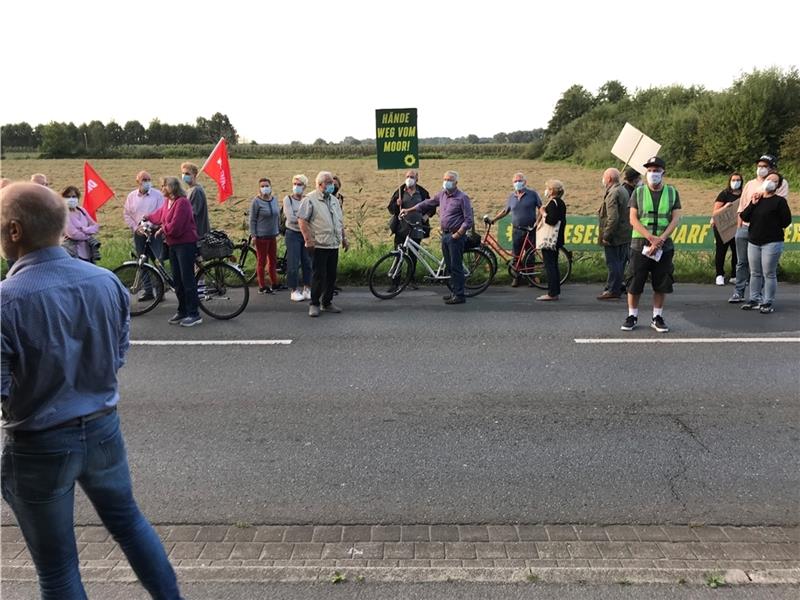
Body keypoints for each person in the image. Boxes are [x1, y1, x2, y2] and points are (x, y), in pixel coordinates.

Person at [0, 182, 183, 600]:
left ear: (14, 231)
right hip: (103, 430)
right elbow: (116, 357)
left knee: (58, 569)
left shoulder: (6, 301)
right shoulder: (107, 283)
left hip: (38, 444)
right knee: (130, 524)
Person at [621, 156, 682, 333]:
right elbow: (633, 218)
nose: (653, 173)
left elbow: (676, 218)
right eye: (649, 170)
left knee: (661, 282)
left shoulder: (672, 192)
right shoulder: (638, 192)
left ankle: (657, 316)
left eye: (656, 170)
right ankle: (632, 315)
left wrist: (661, 239)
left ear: (663, 172)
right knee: (634, 281)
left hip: (664, 245)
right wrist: (650, 237)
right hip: (640, 244)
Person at [401, 170, 474, 305]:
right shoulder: (442, 195)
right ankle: (454, 291)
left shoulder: (462, 198)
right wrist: (409, 210)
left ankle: (459, 295)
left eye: (449, 180)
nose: (446, 182)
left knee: (456, 266)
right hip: (445, 235)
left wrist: (458, 233)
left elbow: (468, 220)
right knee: (450, 267)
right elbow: (426, 204)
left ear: (456, 183)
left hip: (455, 236)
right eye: (445, 179)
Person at [730, 154, 790, 303]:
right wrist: (739, 228)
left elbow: (779, 209)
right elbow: (742, 208)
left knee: (765, 270)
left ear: (772, 169)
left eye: (765, 166)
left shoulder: (780, 184)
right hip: (746, 228)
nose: (761, 169)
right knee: (742, 263)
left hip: (768, 232)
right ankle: (740, 292)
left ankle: (765, 298)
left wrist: (763, 193)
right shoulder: (750, 184)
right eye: (759, 166)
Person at [146, 177, 202, 327]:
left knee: (187, 279)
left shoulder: (182, 203)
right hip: (173, 245)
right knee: (177, 280)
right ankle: (182, 310)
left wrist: (162, 230)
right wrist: (146, 218)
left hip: (185, 244)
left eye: (164, 185)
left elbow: (176, 226)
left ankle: (194, 313)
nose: (162, 188)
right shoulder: (167, 202)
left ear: (172, 187)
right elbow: (160, 215)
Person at [739, 171, 792, 313]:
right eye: (768, 179)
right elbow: (745, 216)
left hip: (772, 241)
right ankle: (754, 299)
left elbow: (786, 221)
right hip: (754, 240)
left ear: (778, 185)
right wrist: (752, 203)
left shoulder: (780, 201)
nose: (770, 182)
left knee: (769, 272)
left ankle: (767, 301)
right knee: (755, 272)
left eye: (774, 181)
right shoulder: (758, 199)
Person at [298, 171, 348, 316]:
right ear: (320, 185)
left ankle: (327, 302)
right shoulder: (310, 199)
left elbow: (339, 221)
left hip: (333, 244)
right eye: (328, 182)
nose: (331, 185)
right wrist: (308, 239)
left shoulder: (334, 200)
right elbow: (302, 220)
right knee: (319, 275)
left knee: (331, 275)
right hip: (319, 244)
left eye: (332, 182)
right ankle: (314, 303)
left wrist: (344, 238)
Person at [488, 172, 541, 287]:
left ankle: (530, 277)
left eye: (520, 180)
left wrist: (537, 223)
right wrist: (494, 219)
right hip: (517, 230)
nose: (518, 183)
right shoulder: (512, 197)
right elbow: (505, 211)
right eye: (515, 181)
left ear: (525, 182)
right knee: (516, 254)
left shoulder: (533, 194)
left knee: (530, 255)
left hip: (530, 230)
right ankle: (517, 277)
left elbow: (541, 208)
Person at [387, 169, 432, 288]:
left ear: (417, 179)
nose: (409, 179)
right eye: (407, 176)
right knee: (399, 256)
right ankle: (395, 283)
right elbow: (391, 209)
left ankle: (410, 280)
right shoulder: (399, 192)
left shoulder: (422, 192)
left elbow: (431, 207)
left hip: (417, 229)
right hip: (401, 229)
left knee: (413, 256)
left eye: (412, 177)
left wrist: (425, 217)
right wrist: (396, 204)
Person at [124, 171, 165, 300]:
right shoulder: (131, 197)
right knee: (142, 262)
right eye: (144, 179)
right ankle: (148, 291)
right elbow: (127, 214)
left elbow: (162, 212)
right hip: (139, 234)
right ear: (138, 182)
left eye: (149, 179)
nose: (147, 182)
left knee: (158, 260)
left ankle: (160, 291)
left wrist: (152, 226)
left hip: (155, 233)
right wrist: (136, 228)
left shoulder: (158, 195)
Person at [597, 168, 632, 299]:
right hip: (624, 233)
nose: (603, 179)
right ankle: (616, 286)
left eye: (604, 177)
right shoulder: (623, 190)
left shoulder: (613, 193)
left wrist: (606, 235)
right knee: (620, 262)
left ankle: (613, 290)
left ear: (609, 179)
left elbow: (613, 218)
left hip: (615, 235)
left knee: (613, 263)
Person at [536, 179, 568, 301]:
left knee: (550, 266)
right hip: (557, 239)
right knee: (553, 265)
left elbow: (552, 220)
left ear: (552, 190)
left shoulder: (554, 203)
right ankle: (555, 291)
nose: (546, 191)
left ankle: (552, 293)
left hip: (550, 240)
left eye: (548, 188)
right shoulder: (560, 202)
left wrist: (543, 213)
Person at [283, 174, 312, 302]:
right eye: (294, 184)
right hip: (292, 234)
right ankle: (294, 290)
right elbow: (291, 218)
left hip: (305, 234)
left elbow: (312, 216)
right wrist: (303, 220)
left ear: (304, 186)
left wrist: (302, 220)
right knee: (293, 263)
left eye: (299, 184)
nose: (296, 187)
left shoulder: (308, 199)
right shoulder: (287, 199)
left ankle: (307, 288)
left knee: (307, 262)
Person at [250, 177, 281, 294]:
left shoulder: (274, 200)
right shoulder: (256, 202)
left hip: (273, 235)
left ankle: (274, 283)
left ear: (271, 186)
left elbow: (277, 215)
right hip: (261, 237)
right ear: (259, 188)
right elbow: (252, 219)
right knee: (261, 262)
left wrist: (278, 229)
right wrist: (253, 235)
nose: (265, 188)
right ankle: (262, 286)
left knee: (273, 261)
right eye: (262, 186)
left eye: (267, 186)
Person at [711, 172, 742, 286]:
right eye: (733, 180)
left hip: (737, 226)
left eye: (738, 180)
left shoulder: (744, 194)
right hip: (722, 227)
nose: (736, 182)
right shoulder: (724, 194)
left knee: (737, 251)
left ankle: (734, 275)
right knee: (721, 251)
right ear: (729, 181)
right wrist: (725, 207)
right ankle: (719, 275)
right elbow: (715, 212)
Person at [61, 185, 100, 263]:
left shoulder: (82, 210)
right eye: (68, 197)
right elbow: (73, 234)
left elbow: (95, 226)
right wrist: (89, 233)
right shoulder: (63, 213)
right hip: (73, 252)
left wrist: (84, 229)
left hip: (88, 252)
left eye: (74, 196)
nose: (71, 199)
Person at [180, 162, 210, 238]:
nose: (184, 176)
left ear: (194, 175)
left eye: (187, 174)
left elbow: (192, 214)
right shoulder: (190, 190)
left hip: (197, 233)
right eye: (183, 173)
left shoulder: (196, 191)